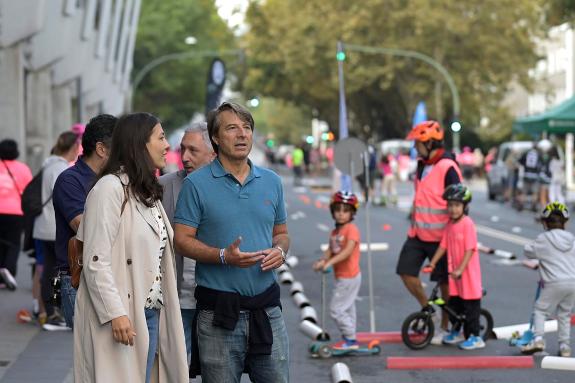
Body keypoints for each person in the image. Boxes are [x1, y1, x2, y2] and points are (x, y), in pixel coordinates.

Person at [174, 101, 290, 382]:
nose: (242, 134)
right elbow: (181, 240)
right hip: (217, 317)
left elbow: (282, 233)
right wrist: (223, 256)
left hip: (268, 311)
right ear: (215, 137)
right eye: (232, 128)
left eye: (247, 128)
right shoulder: (196, 184)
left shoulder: (272, 181)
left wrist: (280, 251)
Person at [73, 113, 188, 383]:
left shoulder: (145, 191)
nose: (167, 145)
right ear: (139, 143)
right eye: (160, 137)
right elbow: (95, 260)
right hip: (122, 315)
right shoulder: (109, 188)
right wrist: (116, 314)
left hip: (150, 312)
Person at [395, 120, 462, 344]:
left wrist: (455, 233)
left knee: (445, 284)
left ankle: (446, 326)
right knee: (405, 272)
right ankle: (427, 308)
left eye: (418, 143)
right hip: (418, 234)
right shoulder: (422, 165)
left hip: (442, 237)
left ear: (430, 142)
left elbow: (460, 199)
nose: (415, 147)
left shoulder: (448, 166)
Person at [52, 114, 116, 328]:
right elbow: (83, 227)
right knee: (90, 355)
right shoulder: (70, 180)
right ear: (101, 149)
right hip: (79, 279)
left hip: (104, 277)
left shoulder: (112, 179)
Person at [159, 121, 215, 363]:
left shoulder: (228, 188)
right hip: (175, 299)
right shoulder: (162, 186)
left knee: (216, 370)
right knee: (172, 367)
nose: (185, 157)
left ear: (214, 153)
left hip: (214, 299)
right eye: (182, 149)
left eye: (193, 150)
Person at [427, 184, 484, 350]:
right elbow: (443, 246)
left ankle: (475, 337)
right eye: (450, 205)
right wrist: (433, 262)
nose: (453, 209)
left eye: (457, 205)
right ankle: (457, 331)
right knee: (454, 307)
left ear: (465, 207)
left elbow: (470, 250)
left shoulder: (467, 224)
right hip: (455, 277)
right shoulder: (450, 225)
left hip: (468, 275)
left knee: (471, 309)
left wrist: (460, 269)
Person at [34, 131, 79, 330]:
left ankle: (48, 311)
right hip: (53, 227)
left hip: (42, 226)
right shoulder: (61, 169)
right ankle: (54, 311)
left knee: (48, 269)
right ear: (73, 148)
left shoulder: (48, 165)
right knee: (55, 272)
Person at [520, 202, 575, 357]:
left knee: (541, 310)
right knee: (564, 314)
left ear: (545, 223)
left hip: (553, 282)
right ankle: (565, 346)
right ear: (565, 223)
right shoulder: (572, 239)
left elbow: (529, 252)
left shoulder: (543, 238)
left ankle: (538, 339)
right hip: (572, 282)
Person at [313, 191, 361, 349]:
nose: (341, 214)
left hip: (350, 275)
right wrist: (322, 261)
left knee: (336, 309)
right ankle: (351, 337)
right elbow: (330, 250)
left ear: (352, 213)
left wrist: (330, 263)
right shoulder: (335, 232)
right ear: (332, 211)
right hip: (343, 276)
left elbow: (347, 251)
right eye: (338, 210)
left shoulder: (351, 229)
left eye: (345, 211)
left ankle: (350, 339)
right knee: (347, 307)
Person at [0, 139, 33, 290]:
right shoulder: (23, 169)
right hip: (16, 212)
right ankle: (8, 270)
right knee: (14, 244)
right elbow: (29, 192)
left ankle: (1, 277)